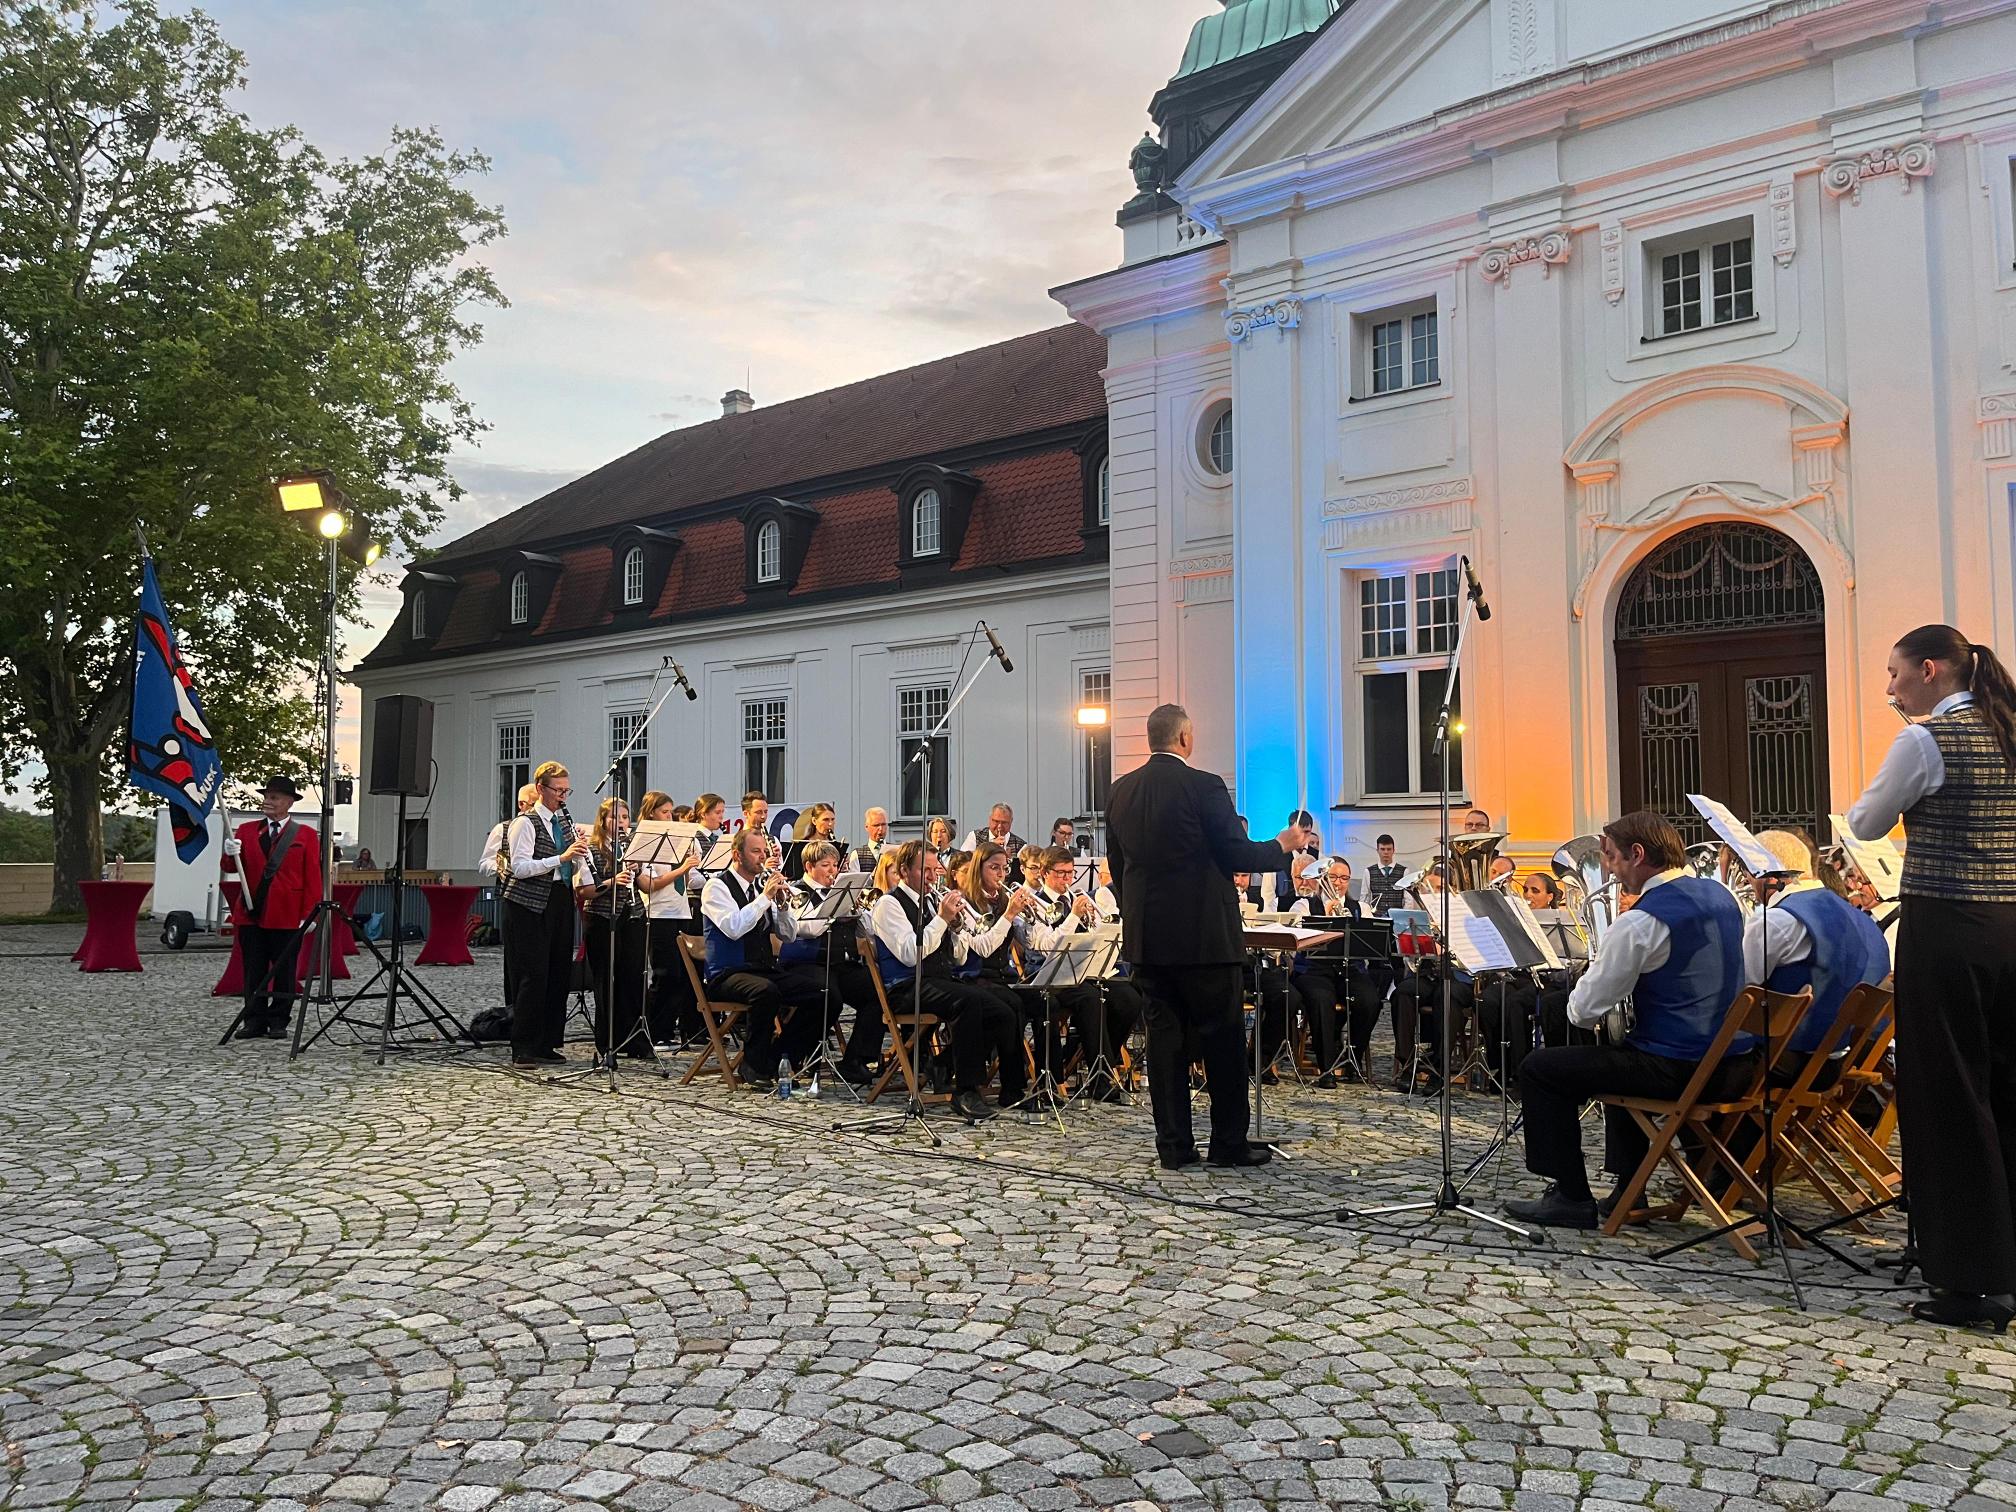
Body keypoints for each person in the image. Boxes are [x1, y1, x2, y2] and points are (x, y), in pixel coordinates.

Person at [1845, 624, 2016, 1331]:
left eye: (1895, 673)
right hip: (2009, 921)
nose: (1890, 687)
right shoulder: (2008, 729)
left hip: (1946, 925)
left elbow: (1865, 822)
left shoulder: (1925, 740)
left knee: (1948, 1093)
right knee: (2005, 1088)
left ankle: (1970, 1277)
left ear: (1931, 670)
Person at [1506, 811, 1753, 1229]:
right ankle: (1629, 1189)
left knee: (1540, 1069)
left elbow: (1582, 1011)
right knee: (1621, 1051)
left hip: (1681, 1069)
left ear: (1637, 855)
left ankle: (1570, 1196)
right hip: (1734, 1065)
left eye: (1610, 856)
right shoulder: (1723, 897)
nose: (1608, 869)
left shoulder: (1642, 920)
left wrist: (1596, 970)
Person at [1104, 703, 1311, 1169]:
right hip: (1204, 940)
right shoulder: (1204, 785)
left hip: (1149, 940)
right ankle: (1227, 1143)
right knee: (1222, 1042)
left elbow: (1119, 866)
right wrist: (1281, 845)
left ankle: (1174, 1146)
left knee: (1164, 1046)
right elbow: (1236, 852)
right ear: (1185, 738)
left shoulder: (1120, 791)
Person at [867, 839, 1024, 1121]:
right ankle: (966, 1090)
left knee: (1003, 1010)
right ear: (904, 871)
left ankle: (1000, 1085)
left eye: (934, 869)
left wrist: (955, 930)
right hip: (906, 986)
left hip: (939, 980)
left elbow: (959, 958)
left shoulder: (930, 901)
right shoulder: (889, 904)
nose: (932, 877)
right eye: (924, 870)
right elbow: (910, 954)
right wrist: (941, 919)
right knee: (969, 1001)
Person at [700, 827, 823, 1085]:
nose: (762, 857)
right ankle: (753, 1065)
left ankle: (780, 1058)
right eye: (755, 851)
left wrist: (783, 905)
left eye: (764, 851)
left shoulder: (760, 889)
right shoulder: (716, 887)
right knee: (765, 991)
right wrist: (765, 897)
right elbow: (734, 928)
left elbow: (788, 935)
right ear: (737, 855)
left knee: (822, 994)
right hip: (727, 973)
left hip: (762, 969)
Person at [1025, 846, 1142, 1100]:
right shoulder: (1036, 903)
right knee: (1091, 999)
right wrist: (1074, 917)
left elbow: (1096, 938)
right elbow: (1046, 945)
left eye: (1071, 873)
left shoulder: (1075, 899)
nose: (1067, 879)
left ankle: (1096, 1061)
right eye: (1061, 873)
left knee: (1129, 999)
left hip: (1084, 971)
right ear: (1044, 873)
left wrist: (1096, 925)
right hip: (1050, 974)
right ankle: (1100, 1078)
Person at [502, 761, 592, 1068]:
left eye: (567, 790)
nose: (563, 796)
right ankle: (523, 1045)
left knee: (558, 973)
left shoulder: (563, 823)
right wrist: (561, 857)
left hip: (559, 898)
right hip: (527, 904)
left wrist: (580, 853)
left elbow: (571, 865)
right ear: (541, 789)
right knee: (533, 974)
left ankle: (547, 1042)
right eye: (558, 790)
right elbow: (519, 867)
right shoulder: (524, 823)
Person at [222, 775, 322, 1040]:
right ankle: (254, 1020)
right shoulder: (246, 831)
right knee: (253, 970)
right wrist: (229, 852)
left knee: (285, 971)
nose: (267, 801)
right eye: (266, 796)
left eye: (274, 797)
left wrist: (310, 915)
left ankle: (279, 1020)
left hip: (288, 914)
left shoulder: (306, 835)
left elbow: (312, 876)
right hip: (252, 912)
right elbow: (231, 868)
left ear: (289, 802)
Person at [777, 839, 880, 1083]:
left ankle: (856, 1059)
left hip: (840, 964)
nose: (832, 871)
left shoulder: (840, 894)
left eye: (834, 865)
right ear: (809, 866)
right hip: (806, 963)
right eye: (825, 865)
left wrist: (858, 910)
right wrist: (835, 904)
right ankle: (789, 1055)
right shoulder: (796, 891)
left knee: (878, 992)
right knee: (828, 997)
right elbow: (809, 929)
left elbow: (868, 932)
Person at [579, 797, 650, 1061]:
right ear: (603, 821)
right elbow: (585, 890)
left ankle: (634, 1039)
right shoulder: (592, 848)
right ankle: (607, 1041)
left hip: (633, 915)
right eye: (615, 817)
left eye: (624, 817)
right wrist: (613, 881)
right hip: (602, 918)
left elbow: (644, 885)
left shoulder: (632, 847)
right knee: (606, 980)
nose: (621, 822)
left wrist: (638, 870)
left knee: (633, 978)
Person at [637, 790, 701, 1045]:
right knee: (666, 974)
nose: (669, 817)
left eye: (670, 813)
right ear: (651, 813)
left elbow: (688, 879)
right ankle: (657, 1031)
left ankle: (671, 1028)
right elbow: (650, 884)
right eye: (664, 812)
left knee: (683, 974)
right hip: (659, 912)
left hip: (681, 910)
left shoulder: (677, 839)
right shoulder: (647, 841)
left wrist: (689, 865)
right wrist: (682, 869)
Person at [479, 783, 541, 1011]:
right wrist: (500, 867)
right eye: (534, 804)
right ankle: (513, 1010)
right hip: (515, 899)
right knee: (517, 961)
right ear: (521, 805)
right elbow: (484, 863)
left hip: (543, 899)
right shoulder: (503, 829)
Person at [959, 803, 1026, 856]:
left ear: (1011, 821)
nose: (999, 826)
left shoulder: (1020, 845)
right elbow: (963, 858)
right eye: (996, 821)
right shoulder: (975, 836)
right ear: (990, 819)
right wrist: (989, 848)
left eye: (1004, 823)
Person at [1365, 834, 1407, 916]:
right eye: (1382, 849)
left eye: (1389, 849)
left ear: (1393, 850)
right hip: (1375, 918)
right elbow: (1365, 898)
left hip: (1397, 918)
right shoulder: (1368, 872)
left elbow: (1408, 900)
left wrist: (1404, 918)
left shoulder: (1404, 871)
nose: (1386, 852)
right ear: (1377, 850)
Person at [851, 807, 891, 873]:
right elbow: (855, 878)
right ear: (867, 827)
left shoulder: (894, 851)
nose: (881, 829)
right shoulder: (856, 855)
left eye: (883, 824)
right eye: (876, 825)